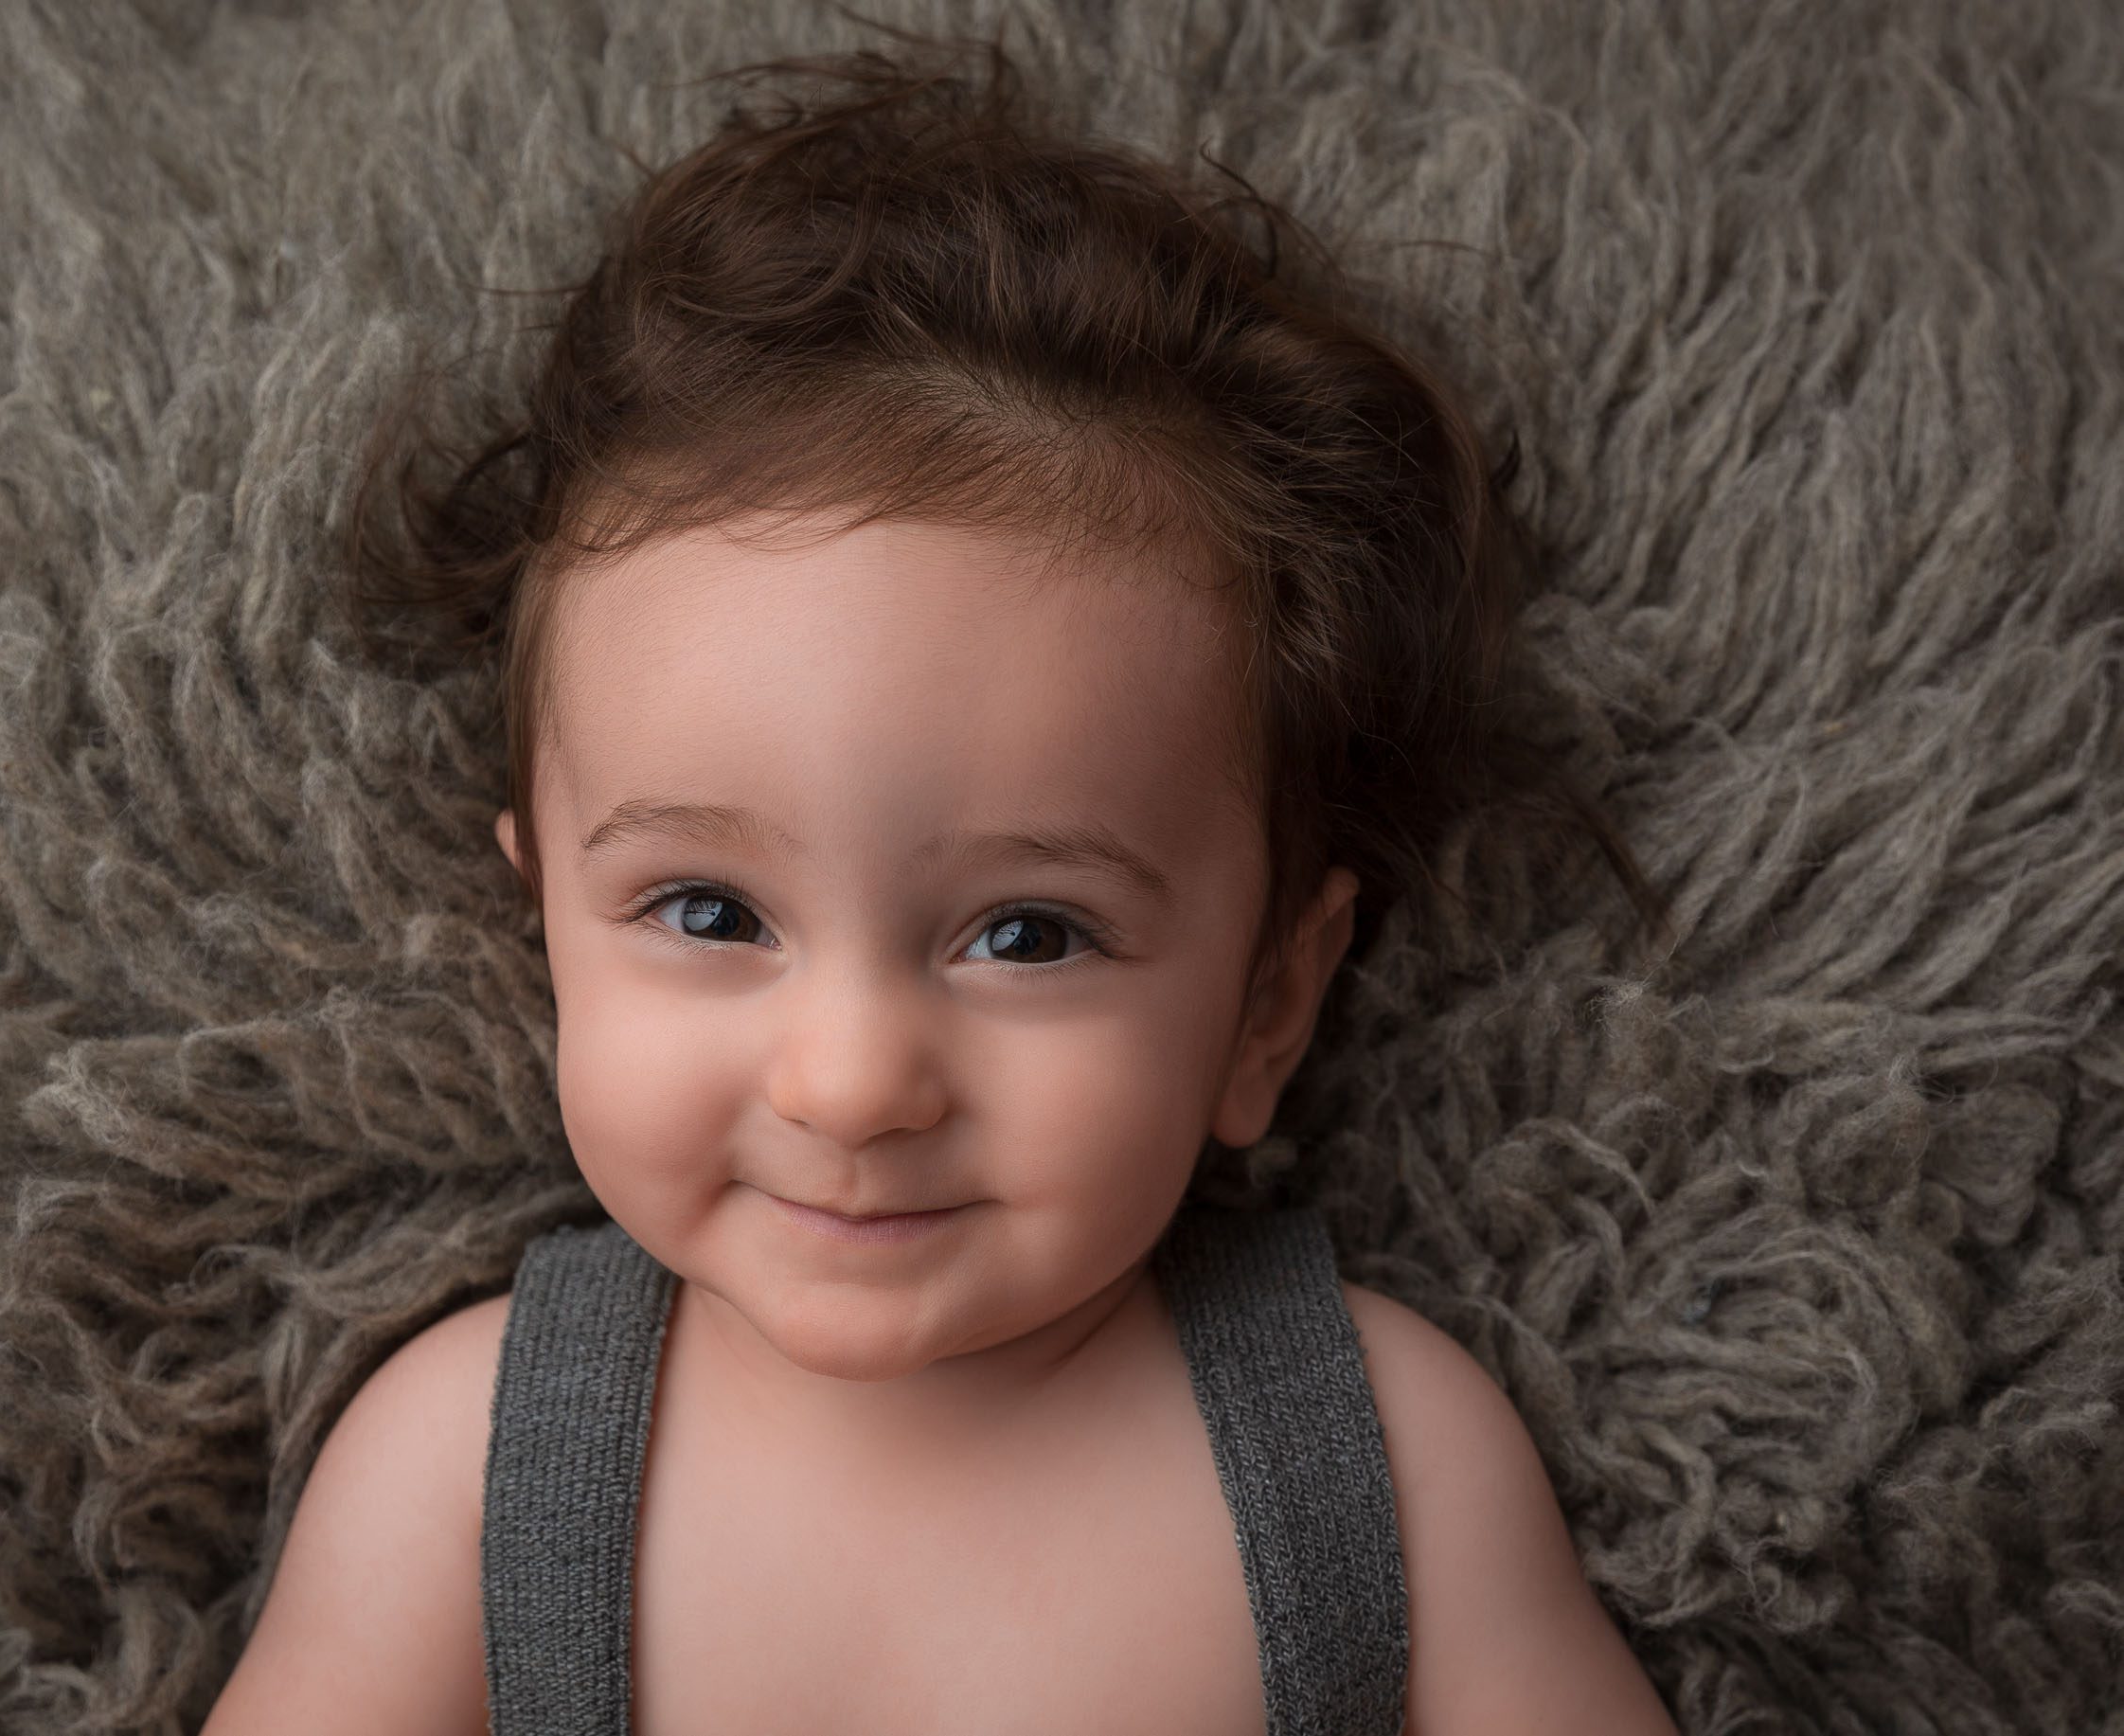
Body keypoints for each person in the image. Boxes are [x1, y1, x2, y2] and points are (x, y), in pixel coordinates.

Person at [203, 27, 1682, 1736]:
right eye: (709, 912)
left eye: (1028, 934)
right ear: (546, 930)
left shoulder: (1388, 1465)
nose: (854, 1079)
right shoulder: (461, 1475)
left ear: (1270, 996)